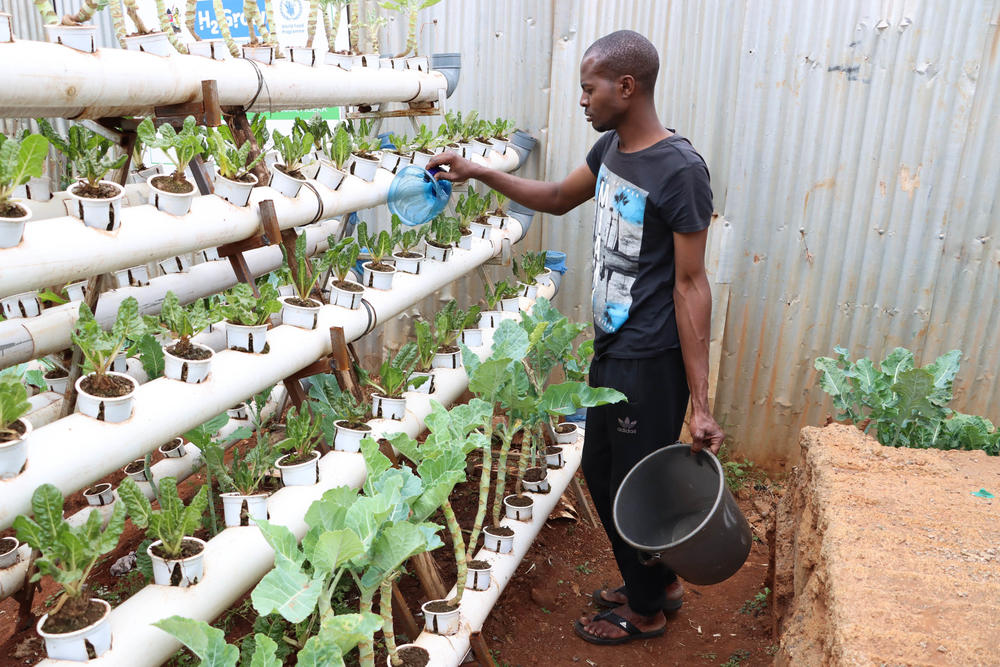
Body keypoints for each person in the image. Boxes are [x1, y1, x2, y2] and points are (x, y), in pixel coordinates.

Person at [427, 29, 725, 646]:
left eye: (588, 89)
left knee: (627, 485)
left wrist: (701, 403)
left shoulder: (680, 171)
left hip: (651, 358)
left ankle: (645, 611)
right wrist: (478, 171)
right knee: (604, 469)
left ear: (627, 86)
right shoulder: (613, 148)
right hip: (614, 347)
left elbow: (692, 287)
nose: (582, 101)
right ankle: (660, 583)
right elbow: (559, 198)